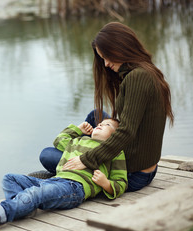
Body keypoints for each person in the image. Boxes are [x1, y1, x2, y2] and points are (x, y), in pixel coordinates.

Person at [39, 22, 174, 192]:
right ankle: (78, 149)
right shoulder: (145, 71)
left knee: (47, 155)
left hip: (132, 174)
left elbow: (127, 131)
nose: (105, 64)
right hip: (145, 166)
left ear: (120, 48)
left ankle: (77, 155)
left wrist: (86, 160)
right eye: (102, 58)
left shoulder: (137, 77)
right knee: (95, 115)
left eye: (107, 57)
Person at [0, 118, 127, 231]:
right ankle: (25, 208)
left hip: (73, 188)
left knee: (35, 192)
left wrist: (106, 183)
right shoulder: (77, 141)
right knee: (9, 178)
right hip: (55, 180)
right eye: (99, 123)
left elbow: (121, 182)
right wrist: (77, 129)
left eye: (106, 125)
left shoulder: (115, 152)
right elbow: (59, 140)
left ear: (114, 136)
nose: (99, 125)